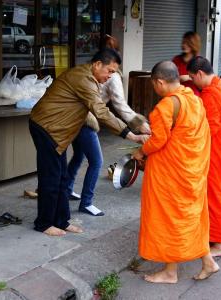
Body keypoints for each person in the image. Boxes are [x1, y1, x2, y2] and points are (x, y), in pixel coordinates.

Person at [29, 48, 148, 236]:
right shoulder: (83, 79)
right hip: (46, 127)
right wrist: (131, 135)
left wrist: (134, 125)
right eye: (109, 71)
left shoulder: (90, 77)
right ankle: (43, 223)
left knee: (61, 177)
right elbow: (101, 112)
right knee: (51, 179)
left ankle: (61, 220)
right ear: (97, 64)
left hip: (57, 129)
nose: (110, 76)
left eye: (113, 73)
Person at [132, 61, 219, 283]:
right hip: (191, 170)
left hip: (171, 174)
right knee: (190, 217)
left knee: (170, 219)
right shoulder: (193, 98)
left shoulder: (166, 106)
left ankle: (170, 272)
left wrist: (140, 150)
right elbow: (200, 134)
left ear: (159, 82)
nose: (154, 88)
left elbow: (158, 141)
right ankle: (208, 261)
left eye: (154, 84)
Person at [67, 35, 151, 217]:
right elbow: (116, 107)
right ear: (101, 62)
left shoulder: (86, 70)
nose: (110, 74)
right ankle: (86, 202)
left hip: (76, 118)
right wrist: (137, 127)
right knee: (96, 161)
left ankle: (66, 189)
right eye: (110, 70)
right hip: (85, 120)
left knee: (78, 157)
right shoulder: (106, 76)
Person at [187, 56, 221, 257]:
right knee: (219, 194)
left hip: (217, 152)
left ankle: (218, 243)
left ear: (200, 74)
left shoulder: (211, 93)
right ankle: (214, 235)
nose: (193, 83)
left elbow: (209, 128)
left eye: (193, 78)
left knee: (216, 196)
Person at [172, 31, 201, 95]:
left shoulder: (199, 61)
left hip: (194, 97)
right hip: (178, 94)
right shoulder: (176, 59)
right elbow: (170, 78)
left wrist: (189, 77)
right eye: (184, 42)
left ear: (194, 44)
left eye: (188, 43)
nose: (184, 45)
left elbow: (203, 81)